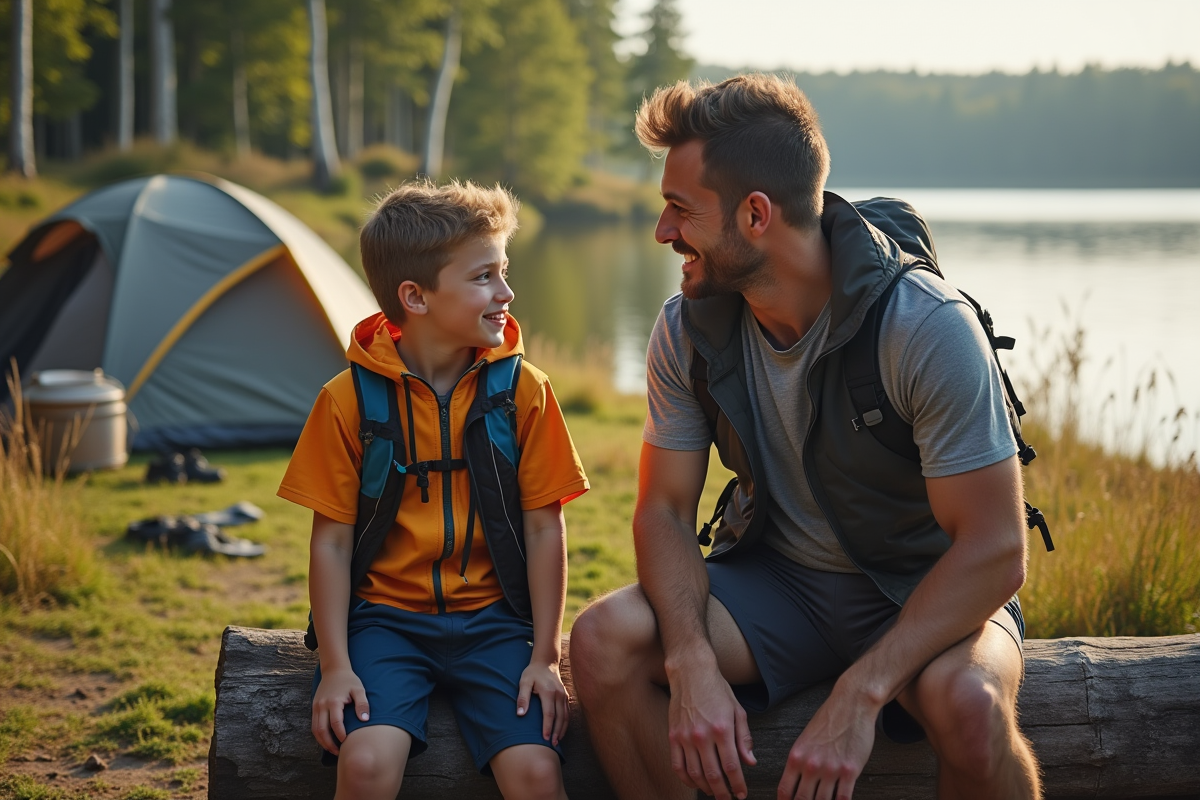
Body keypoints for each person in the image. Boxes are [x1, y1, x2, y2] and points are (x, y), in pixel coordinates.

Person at [570, 74, 1040, 800]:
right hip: (778, 582)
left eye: (680, 210)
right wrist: (691, 658)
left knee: (972, 710)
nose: (663, 233)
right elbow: (663, 511)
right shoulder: (686, 329)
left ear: (755, 214)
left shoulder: (924, 326)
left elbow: (996, 550)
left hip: (918, 586)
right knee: (603, 642)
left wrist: (861, 692)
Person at [278, 179, 589, 800]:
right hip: (386, 625)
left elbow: (543, 526)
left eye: (503, 271)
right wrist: (336, 667)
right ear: (415, 297)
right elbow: (332, 545)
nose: (506, 294)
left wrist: (545, 657)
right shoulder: (346, 402)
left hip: (497, 623)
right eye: (483, 278)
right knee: (365, 763)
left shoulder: (525, 392)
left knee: (535, 771)